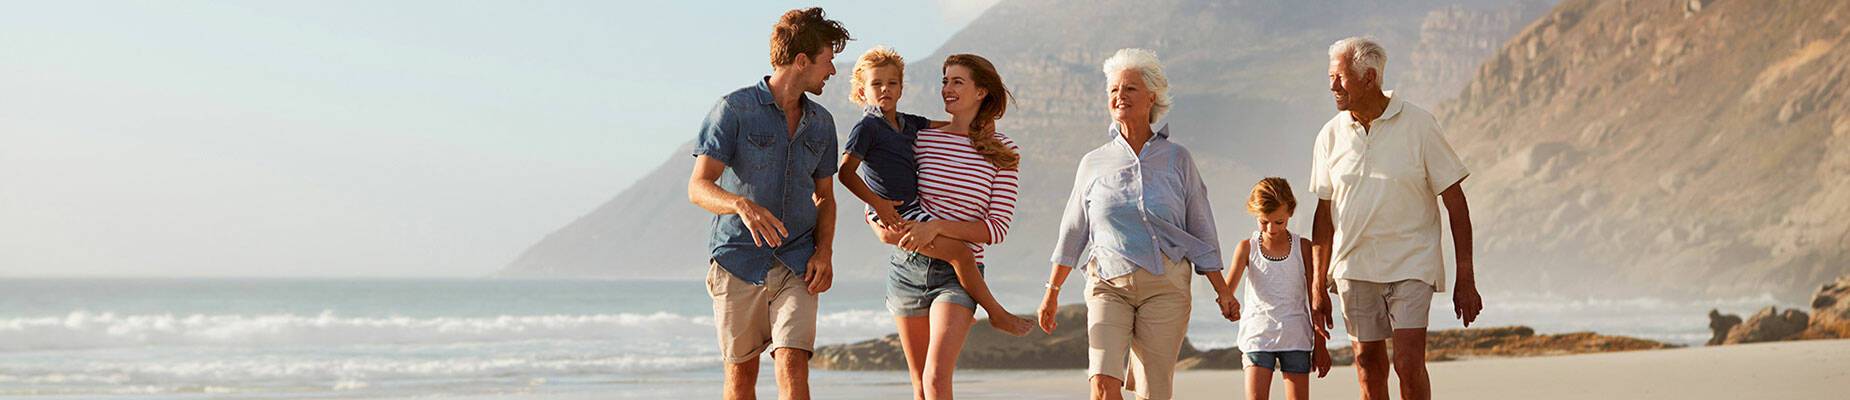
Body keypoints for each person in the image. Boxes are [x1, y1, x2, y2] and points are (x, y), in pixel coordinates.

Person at [1036, 48, 1238, 400]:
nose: (1120, 96)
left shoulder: (1178, 159)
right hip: (1107, 283)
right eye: (1113, 90)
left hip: (1166, 286)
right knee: (1101, 384)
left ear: (1152, 97)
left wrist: (1223, 290)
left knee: (1152, 392)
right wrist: (1052, 291)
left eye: (1129, 88)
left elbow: (1201, 227)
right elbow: (1073, 230)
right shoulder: (1093, 163)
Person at [685, 8, 849, 400]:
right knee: (741, 379)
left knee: (793, 366)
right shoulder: (733, 109)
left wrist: (824, 252)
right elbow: (698, 186)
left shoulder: (822, 123)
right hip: (738, 260)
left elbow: (825, 197)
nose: (833, 71)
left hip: (798, 261)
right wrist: (740, 204)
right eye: (829, 61)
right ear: (801, 60)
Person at [1309, 36, 1481, 400]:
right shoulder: (1329, 135)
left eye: (1339, 77)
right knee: (1368, 365)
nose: (1332, 86)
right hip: (1353, 266)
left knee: (1407, 362)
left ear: (1369, 78)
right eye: (1330, 77)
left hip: (1412, 263)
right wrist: (1316, 284)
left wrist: (1465, 275)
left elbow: (1456, 202)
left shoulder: (1419, 124)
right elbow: (1323, 215)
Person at [863, 53, 1032, 399]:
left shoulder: (1003, 152)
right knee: (919, 386)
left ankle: (994, 312)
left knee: (937, 379)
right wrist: (875, 219)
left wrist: (937, 227)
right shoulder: (921, 138)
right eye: (944, 81)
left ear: (982, 91)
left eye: (957, 81)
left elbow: (996, 228)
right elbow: (885, 185)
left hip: (958, 277)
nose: (947, 89)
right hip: (906, 267)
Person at [1224, 177, 1331, 400]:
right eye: (1264, 222)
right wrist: (1227, 305)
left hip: (1296, 337)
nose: (1271, 229)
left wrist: (1320, 345)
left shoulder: (1303, 247)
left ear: (1290, 212)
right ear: (1255, 214)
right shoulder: (1246, 248)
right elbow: (1226, 292)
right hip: (1257, 337)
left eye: (1279, 222)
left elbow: (1315, 299)